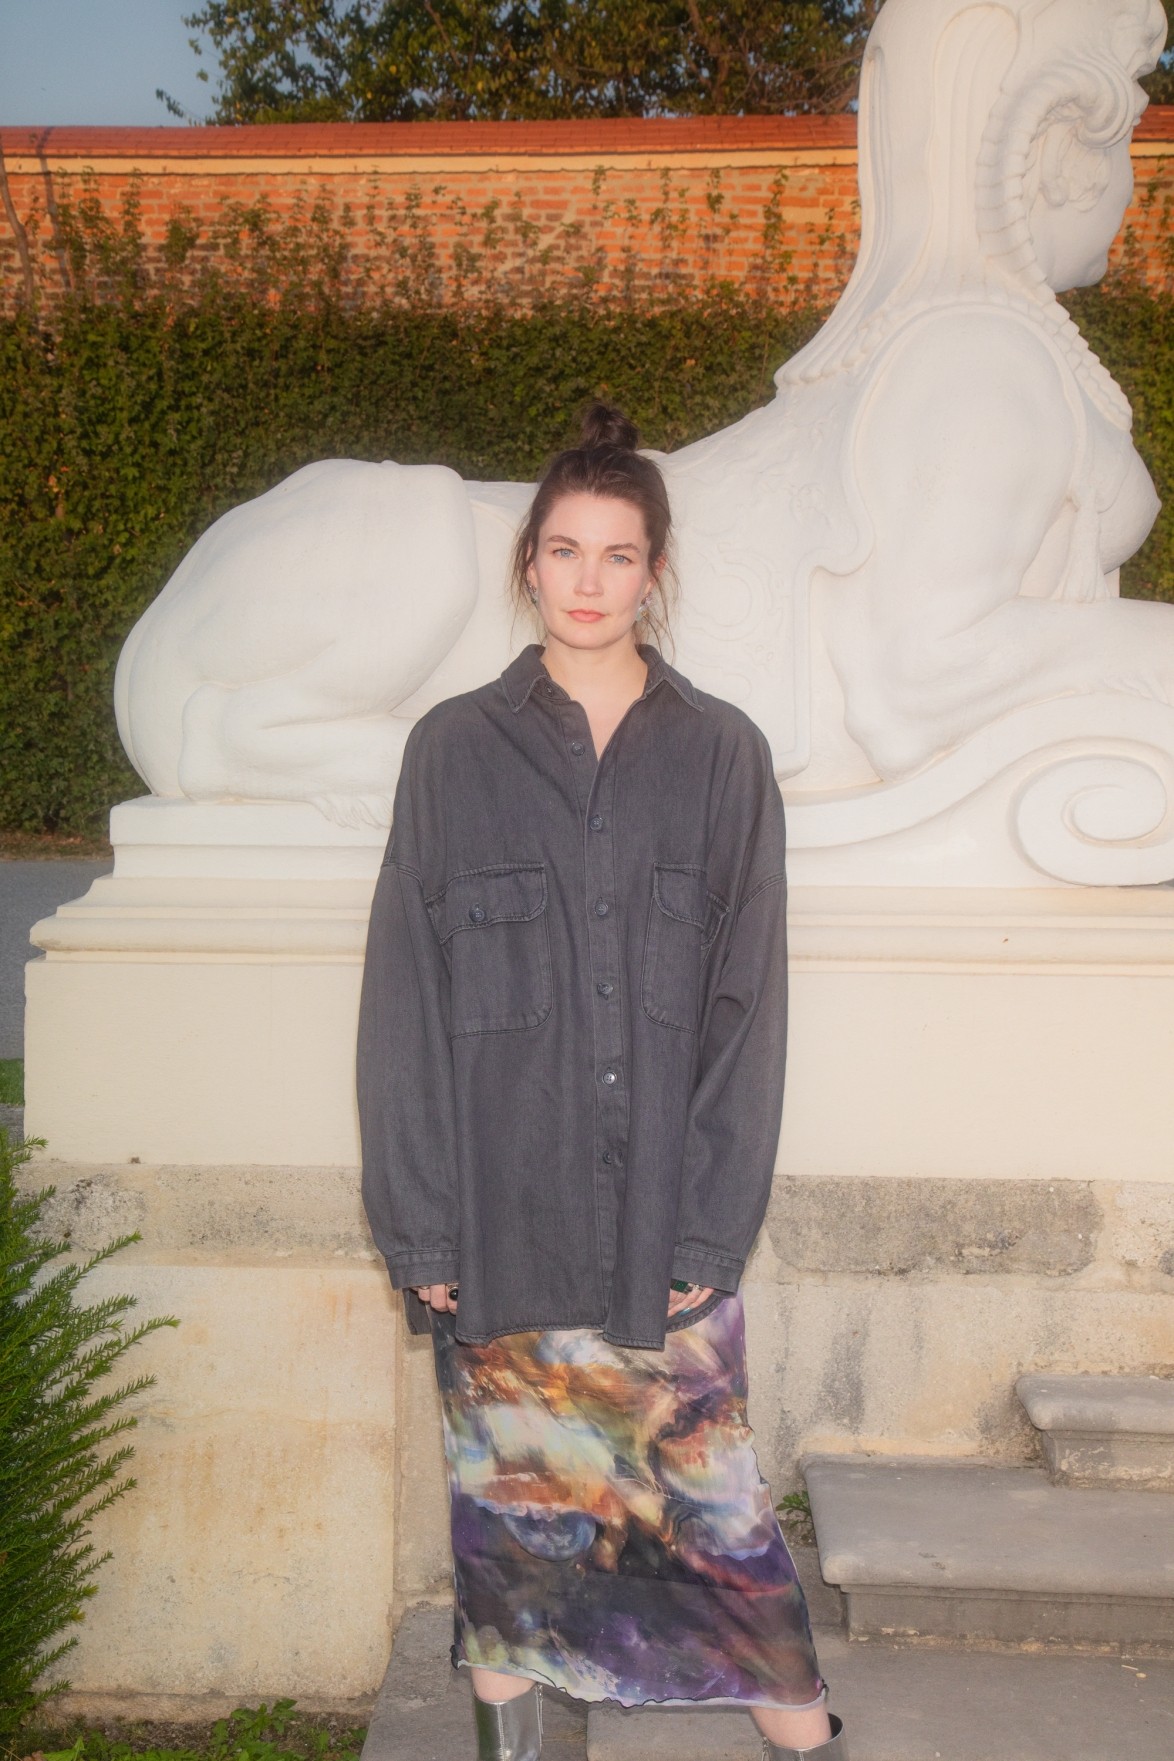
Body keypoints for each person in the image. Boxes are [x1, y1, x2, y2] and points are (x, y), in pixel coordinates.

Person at [357, 403, 846, 1761]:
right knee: (509, 1541)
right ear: (528, 563)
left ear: (654, 572)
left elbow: (748, 1007)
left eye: (617, 554)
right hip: (497, 1228)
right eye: (564, 549)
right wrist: (423, 1230)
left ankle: (807, 1736)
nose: (588, 579)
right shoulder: (452, 752)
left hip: (659, 1239)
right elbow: (405, 999)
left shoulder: (721, 755)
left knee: (721, 1533)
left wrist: (708, 1229)